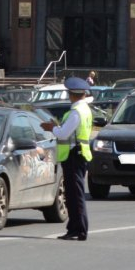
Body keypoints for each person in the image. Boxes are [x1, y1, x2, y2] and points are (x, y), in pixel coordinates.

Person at [40, 77, 93, 241]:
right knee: (73, 194)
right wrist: (57, 126)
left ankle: (79, 229)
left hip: (74, 156)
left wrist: (52, 128)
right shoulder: (84, 109)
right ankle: (74, 228)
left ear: (72, 94)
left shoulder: (77, 111)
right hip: (78, 154)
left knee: (75, 195)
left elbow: (63, 134)